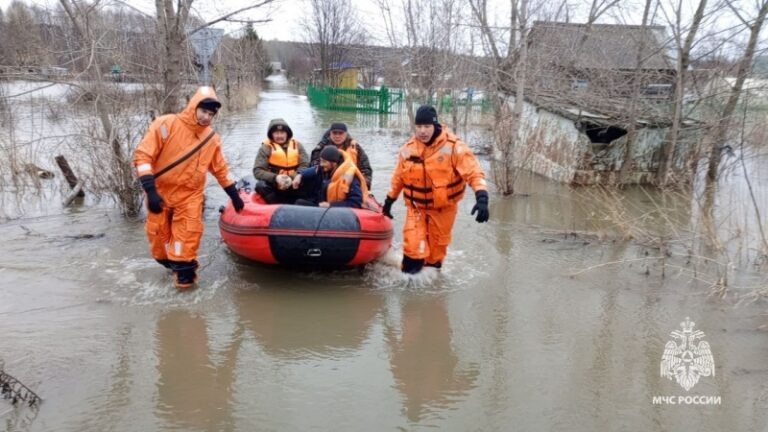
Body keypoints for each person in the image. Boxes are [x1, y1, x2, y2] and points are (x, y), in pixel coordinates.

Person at [134, 86, 244, 289]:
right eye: (204, 111)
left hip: (190, 196)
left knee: (186, 248)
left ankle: (186, 292)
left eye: (211, 114)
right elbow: (143, 156)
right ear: (193, 107)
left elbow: (220, 170)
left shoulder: (211, 139)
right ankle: (172, 267)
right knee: (159, 247)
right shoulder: (165, 124)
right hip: (159, 193)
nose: (206, 117)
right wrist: (150, 190)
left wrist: (235, 196)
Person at [382, 105, 490, 274]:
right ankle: (410, 288)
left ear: (435, 126)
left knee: (435, 257)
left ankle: (433, 293)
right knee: (412, 251)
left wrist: (482, 197)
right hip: (416, 209)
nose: (422, 131)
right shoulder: (407, 149)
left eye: (427, 127)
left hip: (443, 210)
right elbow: (398, 178)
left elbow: (474, 172)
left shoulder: (454, 147)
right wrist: (389, 201)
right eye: (419, 127)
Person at [252, 118, 309, 204]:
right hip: (275, 184)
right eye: (276, 133)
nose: (279, 136)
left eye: (282, 133)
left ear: (287, 134)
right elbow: (258, 171)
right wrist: (276, 178)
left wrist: (293, 177)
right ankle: (277, 205)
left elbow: (305, 165)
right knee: (260, 185)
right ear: (271, 135)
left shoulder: (298, 145)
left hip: (294, 182)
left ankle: (302, 203)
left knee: (310, 179)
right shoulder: (265, 148)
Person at [292, 146, 366, 208]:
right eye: (320, 161)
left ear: (334, 163)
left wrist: (331, 205)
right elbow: (314, 169)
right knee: (299, 201)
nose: (321, 164)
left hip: (334, 211)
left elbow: (356, 203)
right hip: (321, 205)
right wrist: (300, 175)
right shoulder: (323, 169)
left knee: (299, 204)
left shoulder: (350, 177)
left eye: (324, 162)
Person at [310, 122, 372, 188]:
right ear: (330, 133)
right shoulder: (321, 146)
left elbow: (366, 170)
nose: (337, 136)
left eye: (340, 133)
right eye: (334, 133)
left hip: (350, 182)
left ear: (346, 134)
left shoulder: (355, 147)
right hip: (326, 181)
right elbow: (313, 165)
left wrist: (361, 184)